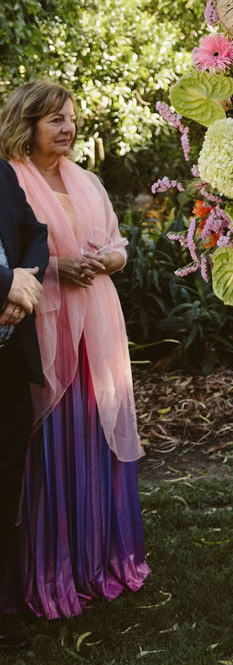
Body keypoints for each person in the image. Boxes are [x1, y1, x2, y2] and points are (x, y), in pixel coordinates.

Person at [0, 82, 148, 621]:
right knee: (47, 444)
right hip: (43, 319)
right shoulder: (10, 177)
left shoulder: (86, 180)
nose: (68, 129)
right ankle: (50, 569)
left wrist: (106, 261)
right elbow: (20, 250)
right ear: (27, 123)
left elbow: (117, 246)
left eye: (71, 119)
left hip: (97, 324)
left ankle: (97, 560)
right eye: (55, 120)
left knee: (93, 434)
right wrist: (58, 268)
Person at [0, 156, 49, 650]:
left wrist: (23, 285)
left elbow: (34, 232)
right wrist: (2, 283)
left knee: (4, 486)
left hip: (8, 362)